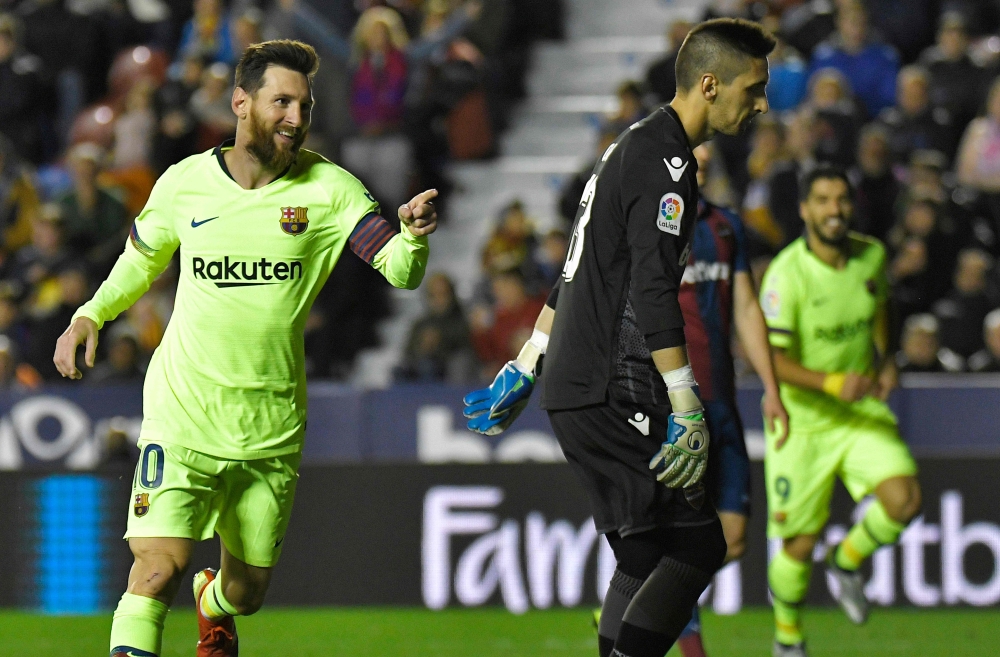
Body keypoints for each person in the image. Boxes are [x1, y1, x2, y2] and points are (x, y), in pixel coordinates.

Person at [52, 40, 439, 657]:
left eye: (304, 105)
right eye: (281, 101)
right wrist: (91, 313)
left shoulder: (329, 189)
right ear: (240, 102)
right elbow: (141, 259)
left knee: (247, 590)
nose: (294, 116)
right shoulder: (185, 183)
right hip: (183, 413)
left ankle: (216, 605)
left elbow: (396, 267)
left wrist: (413, 238)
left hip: (270, 426)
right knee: (155, 570)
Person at [464, 18, 775, 657]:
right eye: (754, 87)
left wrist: (526, 363)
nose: (762, 103)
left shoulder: (627, 147)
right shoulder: (667, 164)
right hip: (614, 383)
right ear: (710, 85)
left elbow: (578, 270)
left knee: (643, 550)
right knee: (698, 545)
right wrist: (685, 402)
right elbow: (653, 290)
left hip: (577, 384)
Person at [760, 165, 922, 657]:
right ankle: (788, 641)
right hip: (803, 422)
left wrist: (887, 358)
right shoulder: (786, 276)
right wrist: (832, 382)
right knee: (798, 547)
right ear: (805, 210)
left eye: (841, 200)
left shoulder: (870, 257)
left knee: (905, 500)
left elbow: (881, 309)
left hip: (857, 414)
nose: (834, 210)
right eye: (823, 201)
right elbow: (772, 359)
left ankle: (847, 562)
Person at [673, 145, 789, 657]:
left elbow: (745, 306)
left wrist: (771, 386)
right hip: (671, 409)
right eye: (687, 160)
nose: (695, 169)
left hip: (723, 402)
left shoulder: (724, 228)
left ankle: (640, 594)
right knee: (689, 537)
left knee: (734, 539)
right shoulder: (648, 231)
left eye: (702, 162)